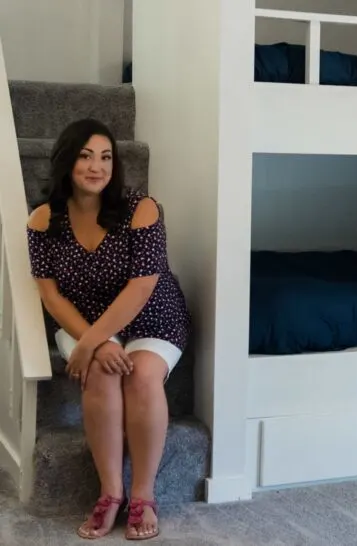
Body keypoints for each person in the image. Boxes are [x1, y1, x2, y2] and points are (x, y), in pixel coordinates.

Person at [26, 118, 191, 540]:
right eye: (85, 157)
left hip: (152, 314)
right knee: (100, 372)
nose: (97, 167)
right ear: (67, 162)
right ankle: (110, 494)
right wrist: (90, 343)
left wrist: (89, 344)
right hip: (80, 319)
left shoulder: (142, 208)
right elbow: (51, 297)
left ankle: (144, 496)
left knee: (140, 376)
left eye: (105, 157)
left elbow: (141, 288)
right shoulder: (43, 221)